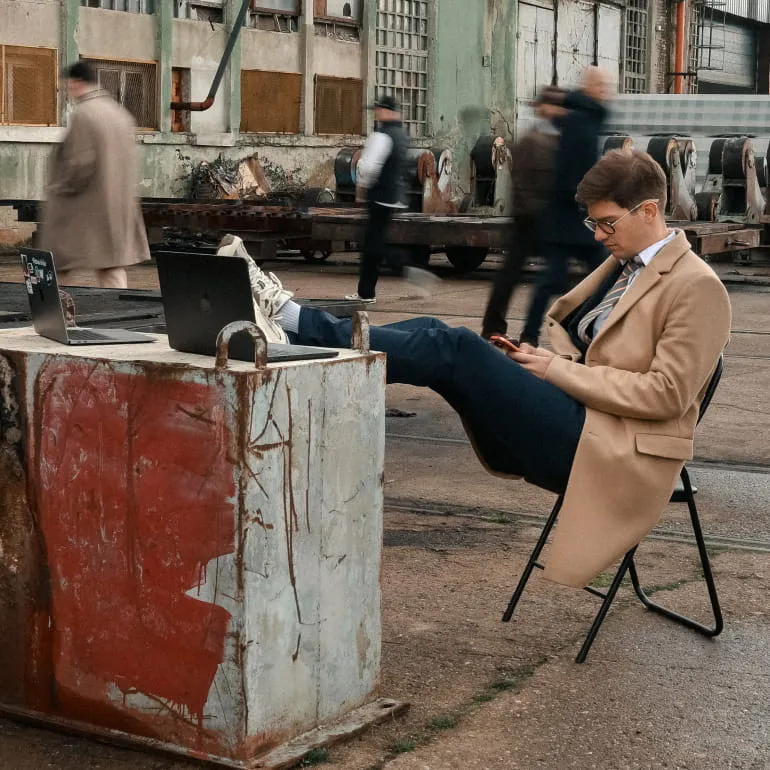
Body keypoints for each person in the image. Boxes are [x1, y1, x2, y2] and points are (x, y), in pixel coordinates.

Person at [218, 149, 731, 589]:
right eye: (592, 224)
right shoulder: (629, 260)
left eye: (606, 224)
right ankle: (301, 337)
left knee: (455, 347)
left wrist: (555, 371)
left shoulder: (696, 287)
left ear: (648, 211)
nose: (597, 236)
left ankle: (296, 324)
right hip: (583, 419)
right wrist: (537, 363)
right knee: (434, 331)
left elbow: (666, 395)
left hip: (612, 454)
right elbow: (599, 354)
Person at [520, 66, 612, 345]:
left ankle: (533, 334)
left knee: (559, 279)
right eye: (602, 86)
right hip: (573, 218)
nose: (607, 92)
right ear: (590, 88)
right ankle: (584, 334)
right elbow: (571, 173)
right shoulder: (581, 123)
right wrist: (587, 203)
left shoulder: (585, 118)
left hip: (570, 219)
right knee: (603, 277)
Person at [38, 61, 150, 289]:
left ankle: (58, 315)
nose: (68, 91)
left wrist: (59, 188)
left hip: (84, 207)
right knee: (111, 266)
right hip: (116, 205)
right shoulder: (119, 113)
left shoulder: (85, 113)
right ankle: (118, 314)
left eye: (68, 86)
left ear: (76, 83)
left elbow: (80, 163)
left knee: (60, 265)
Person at [481, 86, 567, 339]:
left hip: (546, 218)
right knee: (510, 276)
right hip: (529, 219)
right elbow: (521, 181)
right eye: (554, 104)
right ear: (542, 108)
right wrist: (536, 212)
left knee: (550, 277)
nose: (558, 110)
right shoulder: (532, 139)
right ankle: (494, 327)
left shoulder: (558, 138)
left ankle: (528, 331)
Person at [344, 94, 409, 303]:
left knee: (373, 246)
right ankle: (367, 291)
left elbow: (368, 167)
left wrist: (362, 186)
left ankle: (366, 292)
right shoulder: (401, 134)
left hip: (379, 197)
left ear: (387, 111)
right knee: (376, 243)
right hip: (393, 197)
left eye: (379, 109)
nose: (377, 113)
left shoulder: (381, 136)